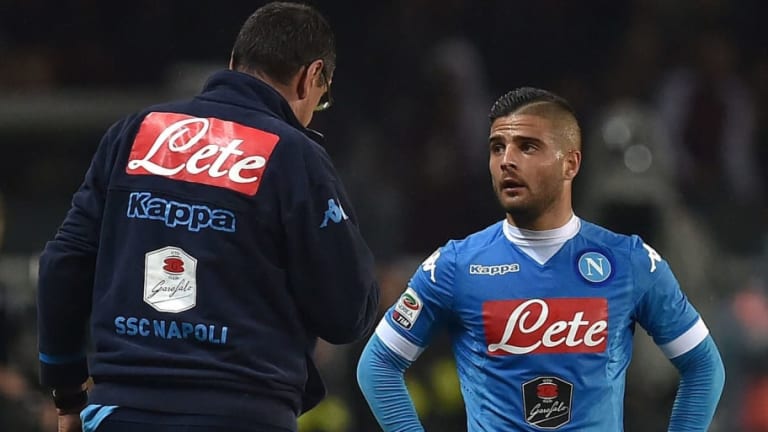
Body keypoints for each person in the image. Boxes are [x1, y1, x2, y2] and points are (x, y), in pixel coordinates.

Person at [36, 2, 380, 432]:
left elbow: (63, 264)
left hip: (122, 410)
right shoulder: (295, 155)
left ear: (234, 62)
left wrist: (68, 396)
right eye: (321, 99)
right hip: (244, 414)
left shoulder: (135, 131)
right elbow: (347, 312)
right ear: (311, 77)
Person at [357, 87, 725, 431]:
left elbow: (704, 367)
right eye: (497, 148)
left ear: (571, 164)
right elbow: (377, 366)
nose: (507, 161)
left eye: (527, 147)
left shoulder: (630, 261)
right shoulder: (455, 265)